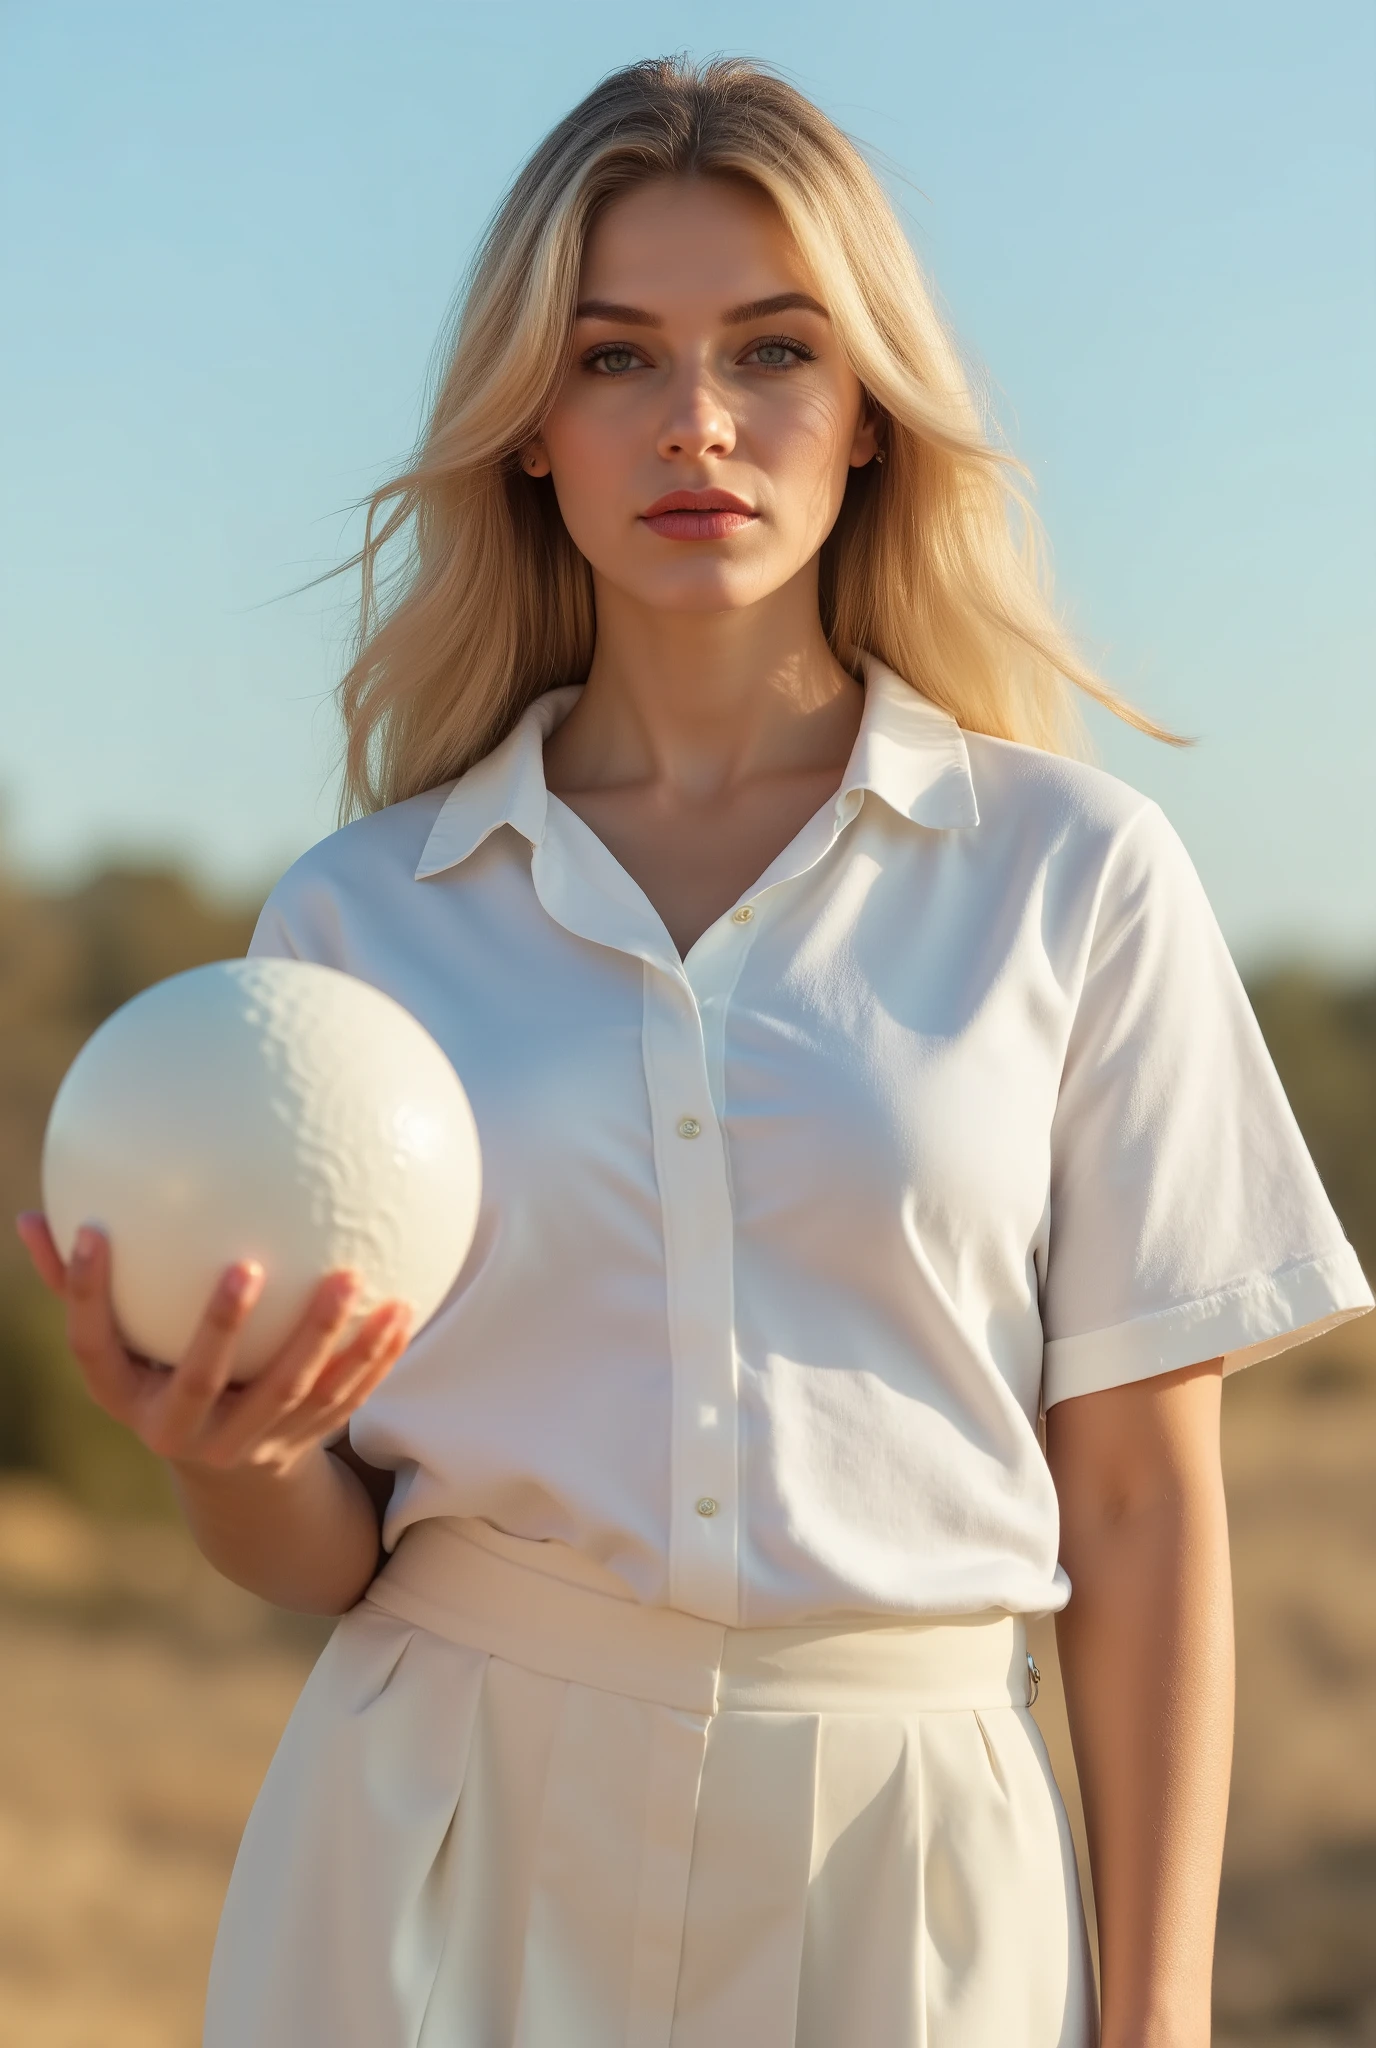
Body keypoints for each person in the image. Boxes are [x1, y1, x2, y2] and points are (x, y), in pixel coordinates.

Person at [17, 55, 1372, 2048]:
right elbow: (328, 1549)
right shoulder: (360, 918)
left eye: (772, 352)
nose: (700, 423)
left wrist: (1157, 2013)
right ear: (531, 433)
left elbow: (1149, 1503)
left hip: (910, 1862)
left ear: (874, 424)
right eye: (617, 357)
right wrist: (235, 1454)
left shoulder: (1074, 877)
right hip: (440, 1830)